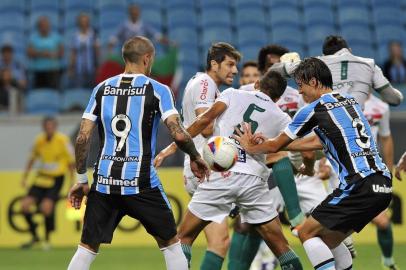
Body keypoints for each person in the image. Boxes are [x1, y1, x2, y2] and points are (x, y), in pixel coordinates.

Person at [234, 57, 393, 270]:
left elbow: (274, 147)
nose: (299, 92)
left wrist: (251, 146)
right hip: (382, 184)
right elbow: (318, 141)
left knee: (305, 232)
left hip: (358, 184)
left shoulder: (313, 110)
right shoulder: (349, 101)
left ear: (314, 82)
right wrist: (276, 144)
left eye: (301, 85)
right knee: (329, 241)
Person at [67, 36, 209, 270]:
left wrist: (82, 180)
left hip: (104, 182)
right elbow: (179, 134)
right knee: (171, 245)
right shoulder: (158, 89)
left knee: (86, 248)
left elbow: (83, 138)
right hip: (141, 181)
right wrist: (195, 156)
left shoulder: (101, 89)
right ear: (147, 58)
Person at [158, 70, 304, 269]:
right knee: (281, 246)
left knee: (184, 237)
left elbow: (203, 121)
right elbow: (300, 145)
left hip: (221, 172)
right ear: (278, 97)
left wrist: (172, 147)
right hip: (253, 181)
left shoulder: (231, 94)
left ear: (257, 84)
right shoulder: (281, 117)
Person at [155, 42, 241, 270]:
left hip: (202, 166)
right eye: (230, 64)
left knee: (192, 237)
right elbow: (205, 126)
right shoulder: (206, 83)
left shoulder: (202, 83)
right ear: (214, 64)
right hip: (204, 167)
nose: (235, 71)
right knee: (218, 241)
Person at [229, 44, 306, 270]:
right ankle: (296, 218)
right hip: (252, 165)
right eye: (275, 64)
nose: (282, 69)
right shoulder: (244, 92)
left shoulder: (296, 96)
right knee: (252, 227)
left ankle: (297, 219)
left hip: (283, 168)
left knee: (256, 227)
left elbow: (301, 136)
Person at [271, 35, 403, 107]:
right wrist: (399, 95)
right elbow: (394, 99)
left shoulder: (316, 62)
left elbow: (274, 71)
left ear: (325, 54)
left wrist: (287, 64)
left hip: (325, 127)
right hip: (356, 127)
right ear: (349, 50)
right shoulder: (370, 64)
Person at [20, 116, 75, 249]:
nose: (48, 129)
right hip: (41, 178)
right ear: (43, 127)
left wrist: (72, 182)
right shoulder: (39, 141)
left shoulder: (63, 140)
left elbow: (71, 162)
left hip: (56, 179)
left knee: (46, 208)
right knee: (24, 206)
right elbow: (32, 159)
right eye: (46, 126)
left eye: (51, 126)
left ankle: (47, 239)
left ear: (55, 127)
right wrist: (25, 177)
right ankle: (35, 235)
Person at [27, 16, 64, 89]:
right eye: (42, 26)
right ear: (39, 27)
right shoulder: (33, 38)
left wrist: (50, 54)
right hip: (38, 71)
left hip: (53, 71)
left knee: (53, 91)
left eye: (46, 25)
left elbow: (61, 52)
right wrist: (42, 54)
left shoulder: (56, 37)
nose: (44, 27)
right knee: (39, 93)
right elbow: (29, 52)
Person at [68, 13, 100, 88]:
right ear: (79, 23)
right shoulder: (75, 36)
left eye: (85, 21)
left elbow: (97, 52)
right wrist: (71, 67)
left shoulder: (94, 35)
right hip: (78, 69)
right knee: (80, 88)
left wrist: (98, 66)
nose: (84, 24)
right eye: (82, 22)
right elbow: (73, 53)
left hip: (91, 68)